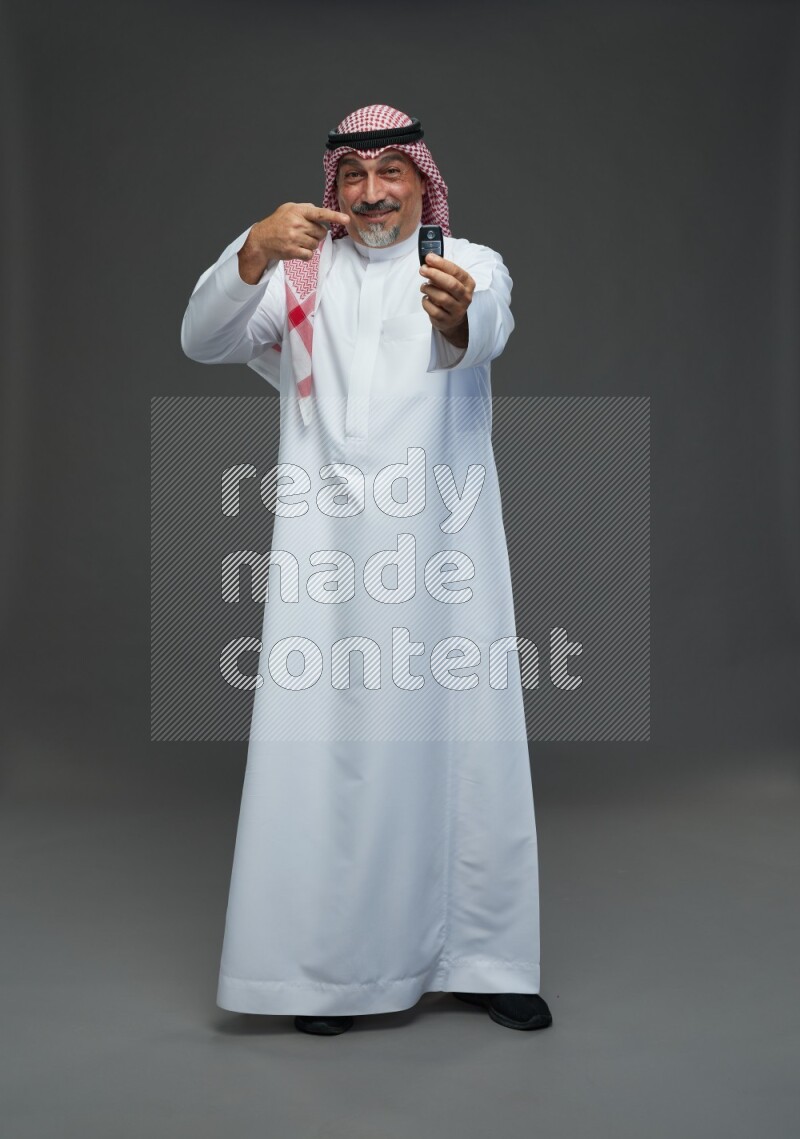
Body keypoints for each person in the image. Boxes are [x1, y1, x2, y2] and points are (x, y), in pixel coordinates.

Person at [180, 104, 553, 1036]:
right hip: (330, 564)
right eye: (356, 173)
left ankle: (482, 955)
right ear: (333, 186)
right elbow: (202, 336)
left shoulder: (466, 260)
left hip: (444, 557)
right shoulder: (300, 274)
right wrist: (252, 252)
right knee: (334, 757)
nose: (375, 190)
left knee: (465, 748)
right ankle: (334, 971)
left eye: (394, 170)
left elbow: (488, 324)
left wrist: (461, 312)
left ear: (422, 180)